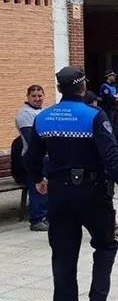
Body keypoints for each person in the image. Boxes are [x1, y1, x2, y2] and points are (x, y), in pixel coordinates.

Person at [24, 65, 118, 301]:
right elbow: (111, 155)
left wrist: (37, 179)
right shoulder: (94, 116)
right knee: (105, 246)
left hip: (59, 195)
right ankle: (97, 297)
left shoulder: (43, 117)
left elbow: (30, 156)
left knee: (63, 254)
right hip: (93, 194)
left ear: (58, 88)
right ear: (84, 88)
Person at [84, 91, 118, 238]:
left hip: (85, 170)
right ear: (94, 103)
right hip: (102, 168)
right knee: (106, 198)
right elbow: (110, 147)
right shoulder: (98, 115)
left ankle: (109, 226)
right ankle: (110, 227)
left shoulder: (80, 117)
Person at [14, 85, 49, 231]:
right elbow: (31, 139)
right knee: (37, 187)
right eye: (34, 96)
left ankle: (46, 216)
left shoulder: (42, 112)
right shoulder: (24, 114)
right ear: (27, 97)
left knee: (46, 187)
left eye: (40, 95)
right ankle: (36, 219)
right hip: (33, 157)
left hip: (46, 157)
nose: (37, 99)